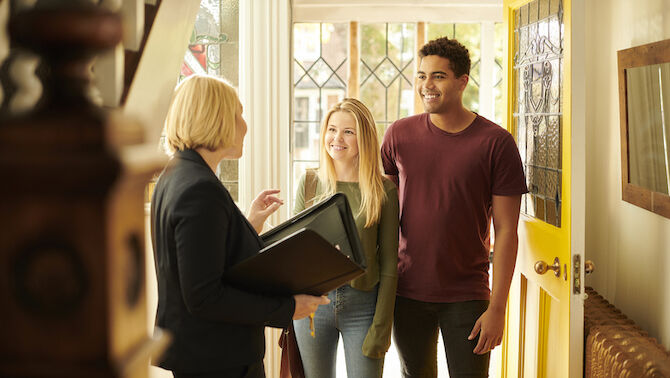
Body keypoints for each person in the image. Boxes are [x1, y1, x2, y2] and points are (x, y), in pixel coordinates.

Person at [151, 74, 329, 378]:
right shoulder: (199, 189)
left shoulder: (177, 173)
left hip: (203, 355)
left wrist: (248, 224)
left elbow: (202, 259)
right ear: (215, 118)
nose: (244, 126)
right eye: (238, 114)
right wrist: (287, 309)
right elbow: (204, 295)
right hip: (219, 360)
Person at [380, 37, 528, 378]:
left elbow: (506, 231)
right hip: (407, 291)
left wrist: (498, 308)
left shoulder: (496, 143)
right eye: (420, 75)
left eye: (438, 76)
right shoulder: (398, 136)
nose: (426, 85)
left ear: (462, 81)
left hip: (468, 295)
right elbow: (381, 214)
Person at [292, 98, 399, 378]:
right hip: (313, 305)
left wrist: (382, 327)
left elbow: (389, 263)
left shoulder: (383, 191)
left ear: (363, 138)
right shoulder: (310, 182)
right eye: (332, 129)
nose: (337, 138)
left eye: (348, 131)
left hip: (364, 307)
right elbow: (292, 251)